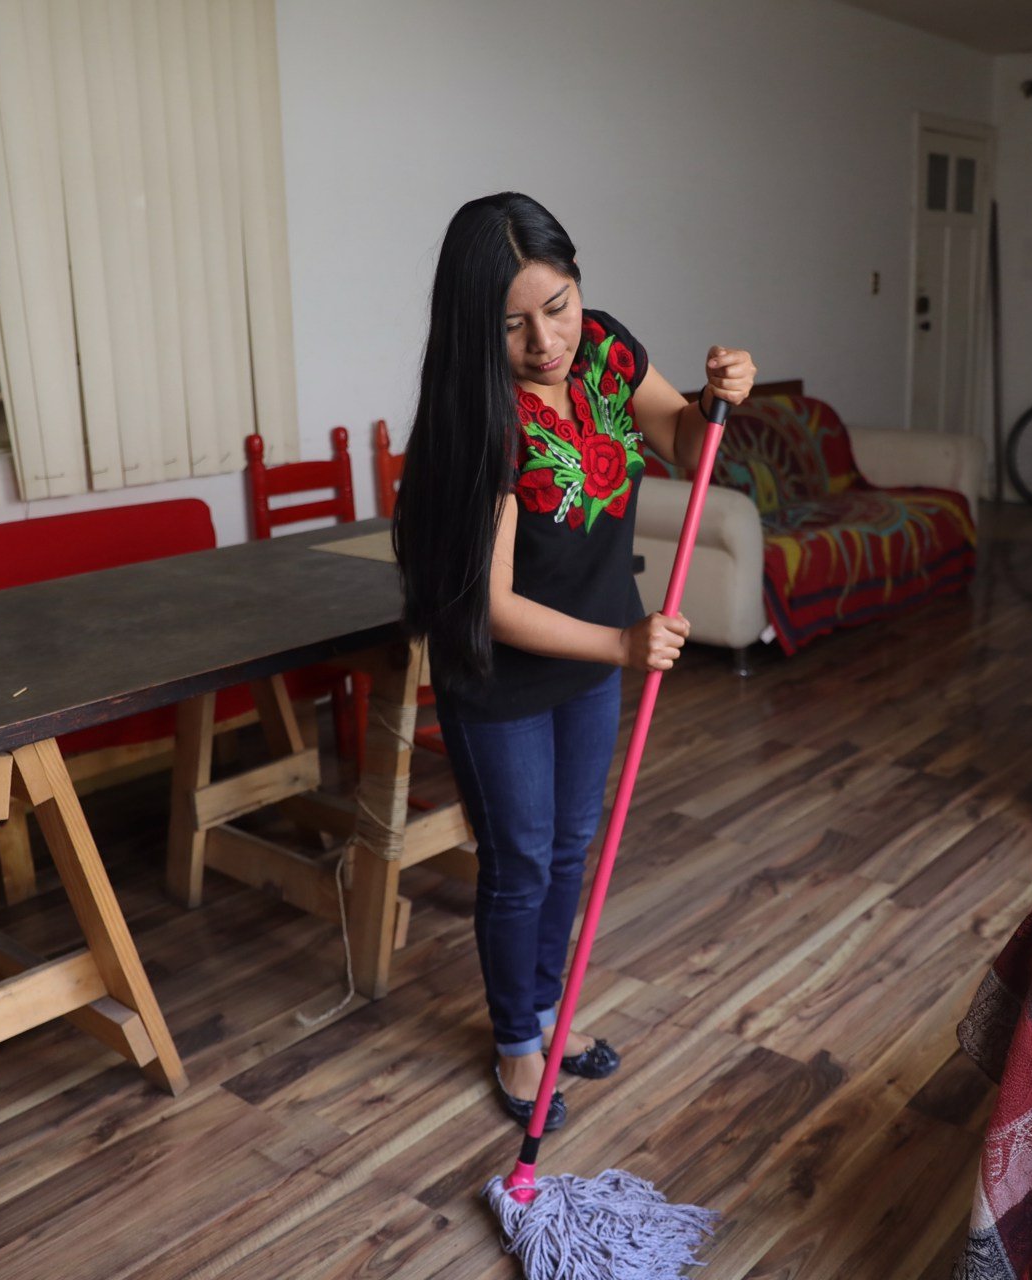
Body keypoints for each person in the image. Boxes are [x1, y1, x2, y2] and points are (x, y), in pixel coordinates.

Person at [394, 193, 755, 1130]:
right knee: (519, 861)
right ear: (475, 324)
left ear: (577, 284)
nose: (546, 341)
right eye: (512, 324)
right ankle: (518, 1042)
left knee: (568, 849)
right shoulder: (480, 417)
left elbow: (683, 440)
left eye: (557, 306)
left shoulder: (605, 351)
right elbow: (489, 603)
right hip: (501, 676)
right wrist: (623, 644)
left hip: (592, 664)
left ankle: (549, 1014)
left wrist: (719, 397)